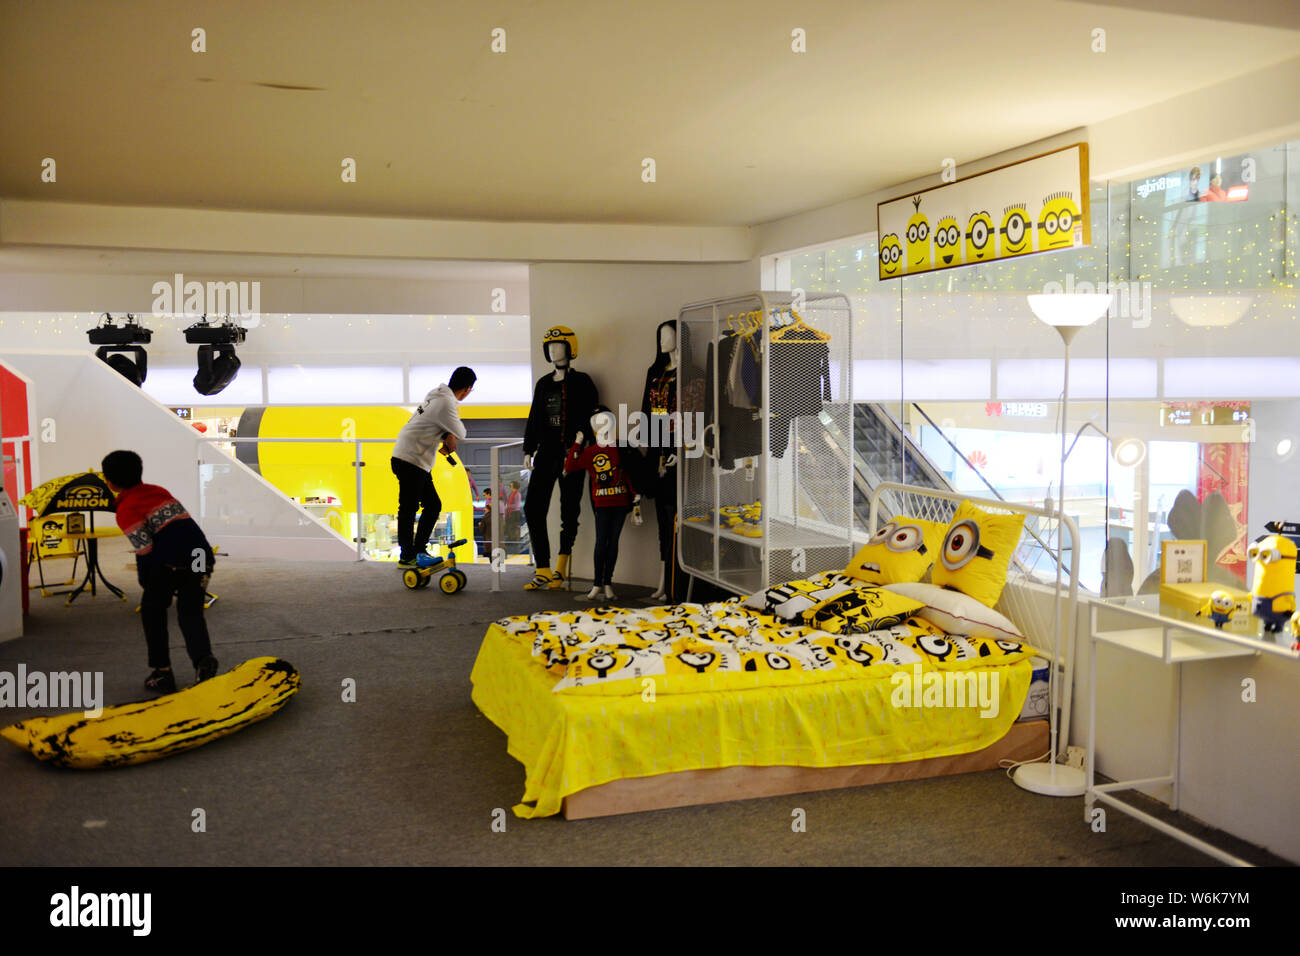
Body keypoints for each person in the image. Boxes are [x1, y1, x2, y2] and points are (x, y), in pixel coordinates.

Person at [102, 449, 218, 693]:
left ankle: (162, 672)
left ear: (110, 482)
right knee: (190, 612)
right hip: (200, 557)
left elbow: (145, 550)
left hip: (171, 563)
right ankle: (203, 661)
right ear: (139, 472)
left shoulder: (126, 510)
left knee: (153, 613)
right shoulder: (158, 491)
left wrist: (147, 582)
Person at [391, 366, 475, 568]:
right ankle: (407, 556)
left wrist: (447, 433)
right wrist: (450, 433)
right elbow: (462, 433)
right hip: (411, 459)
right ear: (467, 389)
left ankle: (418, 550)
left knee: (432, 505)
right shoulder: (446, 402)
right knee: (409, 508)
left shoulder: (436, 395)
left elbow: (436, 422)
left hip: (410, 457)